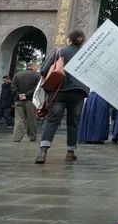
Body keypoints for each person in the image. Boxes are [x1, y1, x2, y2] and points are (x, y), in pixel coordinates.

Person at [35, 30, 90, 164]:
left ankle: (43, 152)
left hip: (60, 91)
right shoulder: (87, 54)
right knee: (73, 122)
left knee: (52, 121)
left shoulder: (60, 52)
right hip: (78, 93)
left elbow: (43, 69)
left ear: (69, 40)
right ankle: (70, 152)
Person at [12, 61, 41, 142]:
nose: (37, 68)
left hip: (18, 100)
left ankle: (17, 137)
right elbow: (37, 88)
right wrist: (26, 95)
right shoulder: (37, 75)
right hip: (31, 100)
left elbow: (13, 87)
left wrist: (20, 95)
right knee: (31, 119)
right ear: (33, 66)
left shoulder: (17, 75)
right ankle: (32, 136)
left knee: (19, 119)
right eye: (37, 66)